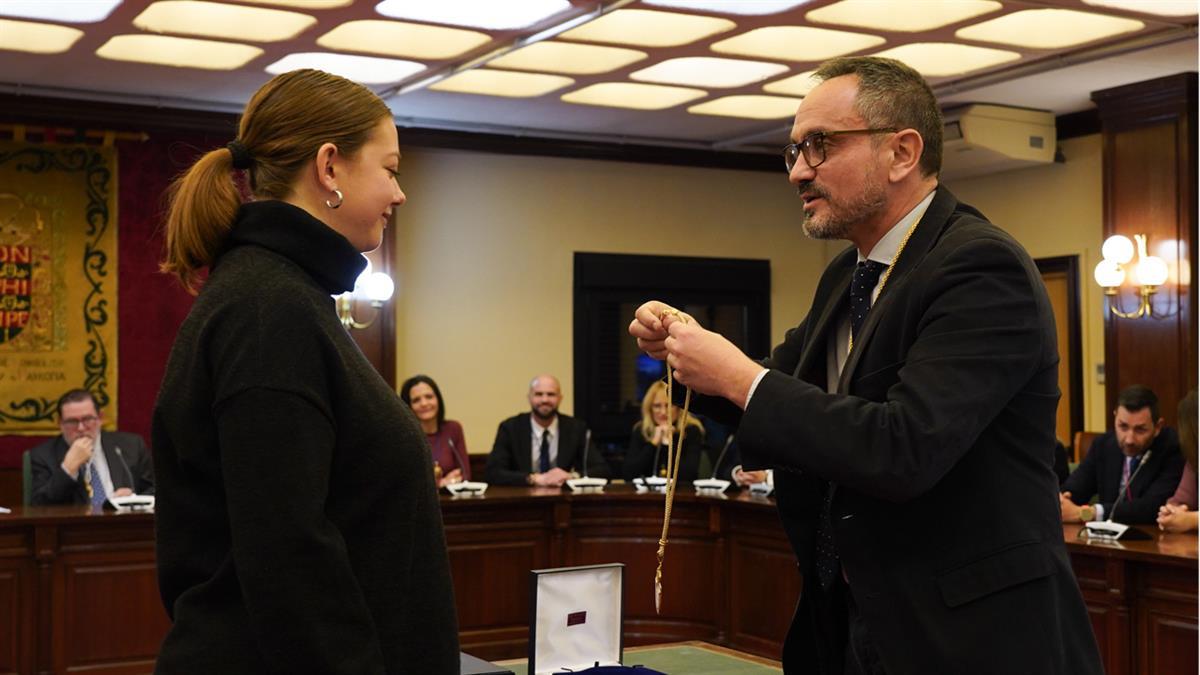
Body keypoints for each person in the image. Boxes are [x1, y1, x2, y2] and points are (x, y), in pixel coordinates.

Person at [629, 56, 1101, 675]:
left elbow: (903, 448)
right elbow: (778, 392)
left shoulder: (981, 269)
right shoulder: (850, 274)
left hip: (968, 635)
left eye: (819, 146)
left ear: (902, 153)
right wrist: (685, 354)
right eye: (794, 151)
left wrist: (739, 375)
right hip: (856, 620)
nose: (799, 172)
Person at [152, 69, 458, 674]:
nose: (400, 194)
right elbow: (287, 559)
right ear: (328, 168)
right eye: (391, 169)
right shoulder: (269, 312)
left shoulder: (284, 298)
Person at [1061, 385, 1183, 525]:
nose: (1129, 439)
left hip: (1150, 540)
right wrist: (1064, 500)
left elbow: (1153, 507)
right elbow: (1077, 485)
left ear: (1157, 427)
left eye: (1140, 430)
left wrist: (1089, 513)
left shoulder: (1172, 448)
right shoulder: (1103, 445)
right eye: (1123, 427)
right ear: (1115, 418)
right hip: (1105, 539)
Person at [29, 388, 154, 506]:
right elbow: (39, 506)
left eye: (87, 419)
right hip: (75, 527)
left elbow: (156, 490)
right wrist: (67, 469)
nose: (81, 428)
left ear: (100, 418)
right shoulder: (43, 456)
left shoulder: (131, 446)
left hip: (123, 524)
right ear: (60, 423)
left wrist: (133, 498)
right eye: (72, 421)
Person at [485, 374, 610, 486]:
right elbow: (493, 473)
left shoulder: (576, 428)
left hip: (563, 499)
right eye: (538, 394)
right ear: (529, 398)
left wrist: (571, 476)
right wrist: (533, 479)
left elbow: (603, 470)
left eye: (551, 394)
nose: (545, 400)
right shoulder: (510, 428)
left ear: (560, 398)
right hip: (522, 500)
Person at [622, 380, 705, 482]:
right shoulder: (641, 430)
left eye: (669, 405)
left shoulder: (691, 429)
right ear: (649, 408)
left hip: (681, 494)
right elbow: (628, 474)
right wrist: (653, 444)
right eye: (657, 406)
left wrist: (668, 442)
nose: (663, 412)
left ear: (679, 407)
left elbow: (688, 476)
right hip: (648, 495)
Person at [400, 374, 471, 487]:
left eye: (429, 397)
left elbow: (464, 474)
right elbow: (406, 482)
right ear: (408, 406)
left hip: (451, 501)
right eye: (416, 400)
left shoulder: (453, 428)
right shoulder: (404, 435)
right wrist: (440, 483)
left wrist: (449, 482)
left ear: (438, 399)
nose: (424, 403)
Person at [1158, 389, 1197, 533]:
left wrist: (1193, 520)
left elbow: (1190, 519)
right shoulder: (1194, 458)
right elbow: (1181, 500)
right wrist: (1170, 513)